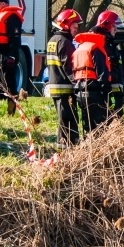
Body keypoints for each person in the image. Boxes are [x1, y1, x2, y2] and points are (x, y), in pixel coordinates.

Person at [47, 9, 83, 146]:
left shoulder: (53, 40)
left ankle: (63, 146)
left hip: (55, 86)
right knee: (69, 120)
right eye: (74, 27)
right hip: (65, 88)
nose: (76, 30)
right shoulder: (65, 42)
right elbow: (69, 67)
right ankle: (67, 147)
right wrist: (77, 84)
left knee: (63, 119)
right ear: (66, 25)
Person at [72, 28, 111, 136]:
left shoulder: (79, 49)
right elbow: (102, 73)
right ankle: (99, 145)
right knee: (100, 125)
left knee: (87, 124)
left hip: (80, 92)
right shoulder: (96, 48)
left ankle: (88, 143)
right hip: (94, 92)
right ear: (100, 35)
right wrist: (106, 90)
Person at [91, 10, 124, 119]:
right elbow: (103, 73)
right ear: (106, 25)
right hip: (108, 94)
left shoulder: (110, 44)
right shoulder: (101, 45)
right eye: (114, 26)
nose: (116, 29)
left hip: (116, 93)